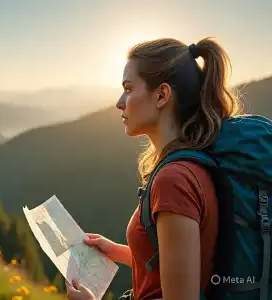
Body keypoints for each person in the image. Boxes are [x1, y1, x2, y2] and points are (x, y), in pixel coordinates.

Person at [65, 37, 242, 300]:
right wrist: (116, 250)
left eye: (128, 88)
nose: (119, 102)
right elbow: (177, 264)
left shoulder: (174, 180)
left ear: (161, 95)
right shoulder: (189, 165)